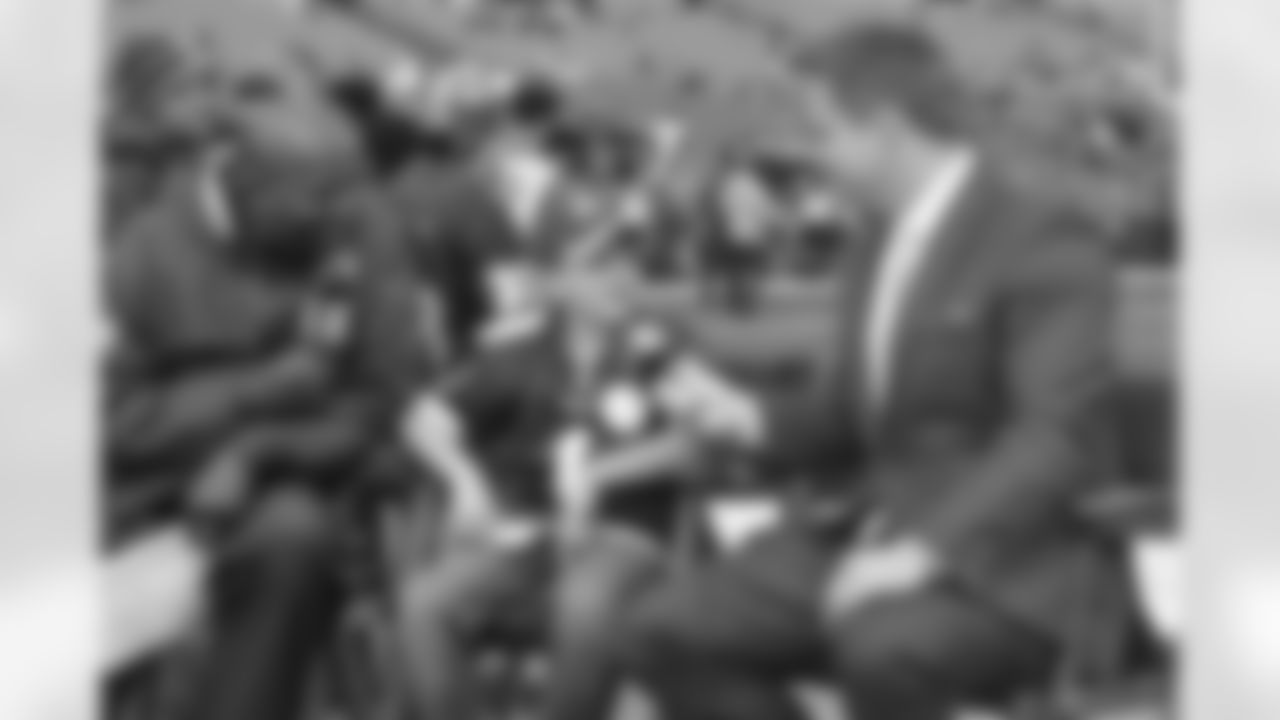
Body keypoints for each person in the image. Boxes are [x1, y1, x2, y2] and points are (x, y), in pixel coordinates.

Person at [621, 23, 1124, 720]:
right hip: (865, 529)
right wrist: (747, 416)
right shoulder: (875, 243)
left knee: (882, 648)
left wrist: (923, 553)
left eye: (822, 130)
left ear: (885, 128)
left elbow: (1057, 437)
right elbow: (848, 413)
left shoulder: (1038, 235)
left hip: (997, 563)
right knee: (664, 631)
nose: (812, 154)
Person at [106, 102, 431, 720]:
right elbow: (110, 422)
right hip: (139, 488)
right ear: (250, 186)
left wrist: (255, 452)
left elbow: (374, 404)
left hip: (285, 482)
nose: (337, 219)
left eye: (344, 199)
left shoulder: (355, 235)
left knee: (291, 537)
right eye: (316, 201)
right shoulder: (142, 252)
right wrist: (258, 389)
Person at [393, 251, 746, 720]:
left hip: (623, 535)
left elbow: (698, 447)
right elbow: (423, 419)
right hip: (530, 534)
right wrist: (464, 478)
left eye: (626, 264)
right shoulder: (518, 355)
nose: (620, 277)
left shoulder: (656, 352)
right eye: (600, 265)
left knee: (582, 601)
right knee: (424, 602)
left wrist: (597, 473)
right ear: (559, 282)